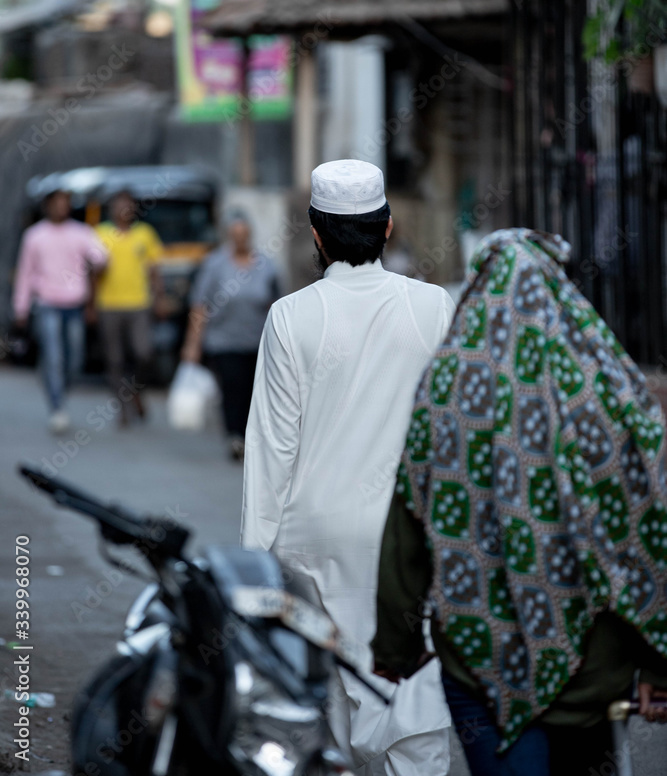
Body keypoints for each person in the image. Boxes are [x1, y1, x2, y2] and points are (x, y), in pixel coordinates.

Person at [372, 227, 667, 776]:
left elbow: (409, 521)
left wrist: (394, 644)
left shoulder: (447, 390)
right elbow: (650, 523)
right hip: (593, 670)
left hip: (479, 660)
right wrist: (656, 664)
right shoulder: (607, 388)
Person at [241, 159, 456, 776]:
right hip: (410, 540)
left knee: (326, 720)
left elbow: (271, 450)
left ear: (316, 233)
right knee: (415, 718)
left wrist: (256, 570)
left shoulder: (290, 317)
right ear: (387, 228)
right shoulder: (433, 306)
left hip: (314, 539)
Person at [182, 210, 279, 459]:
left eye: (244, 234)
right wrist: (193, 343)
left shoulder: (266, 265)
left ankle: (250, 436)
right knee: (232, 386)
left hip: (257, 340)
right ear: (228, 236)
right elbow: (200, 306)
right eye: (235, 235)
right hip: (223, 340)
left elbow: (277, 304)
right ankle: (234, 436)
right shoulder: (215, 264)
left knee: (252, 390)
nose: (240, 239)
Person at [12, 188, 108, 433]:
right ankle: (57, 406)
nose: (61, 207)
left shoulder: (81, 232)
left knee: (74, 359)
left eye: (65, 202)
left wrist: (95, 262)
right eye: (56, 203)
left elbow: (102, 257)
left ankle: (59, 389)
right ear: (47, 206)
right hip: (47, 304)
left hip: (74, 304)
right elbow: (25, 272)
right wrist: (21, 307)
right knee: (53, 357)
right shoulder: (35, 236)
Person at [94, 190, 164, 427]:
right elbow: (90, 272)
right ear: (111, 207)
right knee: (114, 359)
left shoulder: (145, 234)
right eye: (119, 204)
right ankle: (122, 407)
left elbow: (155, 270)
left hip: (139, 304)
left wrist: (160, 298)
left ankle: (135, 390)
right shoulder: (100, 233)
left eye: (128, 204)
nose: (123, 209)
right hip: (108, 304)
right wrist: (89, 303)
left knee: (144, 352)